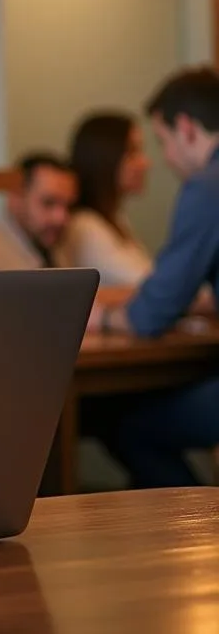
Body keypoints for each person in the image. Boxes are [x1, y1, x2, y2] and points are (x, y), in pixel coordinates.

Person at [84, 67, 219, 487]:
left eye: (162, 142)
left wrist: (99, 318)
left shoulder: (207, 187)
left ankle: (201, 533)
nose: (165, 160)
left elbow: (150, 314)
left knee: (127, 427)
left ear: (186, 128)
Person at [57, 112, 152, 287]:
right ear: (104, 157)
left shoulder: (114, 219)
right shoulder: (86, 226)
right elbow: (151, 286)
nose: (145, 162)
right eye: (132, 152)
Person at [0, 152, 77, 270]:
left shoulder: (61, 248)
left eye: (69, 206)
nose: (61, 218)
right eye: (48, 203)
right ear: (15, 197)